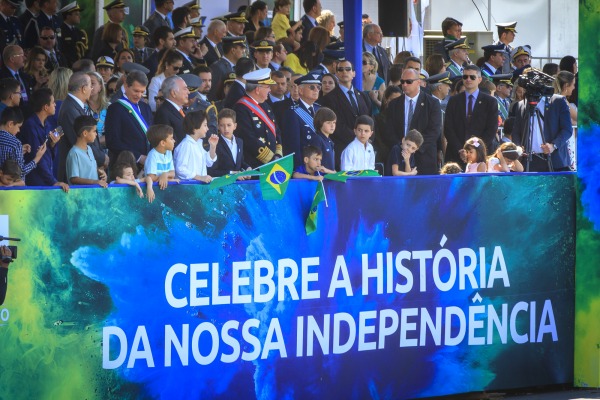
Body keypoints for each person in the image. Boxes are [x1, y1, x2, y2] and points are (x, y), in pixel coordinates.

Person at [383, 68, 442, 175]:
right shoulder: (394, 104)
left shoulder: (432, 103)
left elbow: (434, 131)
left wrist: (413, 148)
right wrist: (401, 148)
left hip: (424, 159)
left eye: (409, 81)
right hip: (399, 158)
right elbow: (388, 130)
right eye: (402, 82)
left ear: (418, 82)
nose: (404, 84)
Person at [321, 59, 372, 169]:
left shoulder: (363, 96)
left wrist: (366, 137)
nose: (344, 72)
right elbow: (336, 125)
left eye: (348, 69)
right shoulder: (329, 98)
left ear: (354, 73)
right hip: (343, 147)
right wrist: (357, 138)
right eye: (340, 69)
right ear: (337, 73)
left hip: (364, 148)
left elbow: (370, 119)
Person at [444, 65, 498, 167]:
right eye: (465, 77)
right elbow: (448, 128)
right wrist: (461, 150)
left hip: (481, 156)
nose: (468, 79)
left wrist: (476, 150)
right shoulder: (453, 101)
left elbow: (491, 129)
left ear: (479, 79)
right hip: (456, 155)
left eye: (472, 77)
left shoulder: (490, 102)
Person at [57, 72, 106, 181]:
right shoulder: (70, 109)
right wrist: (101, 158)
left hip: (85, 170)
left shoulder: (75, 106)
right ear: (84, 89)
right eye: (90, 86)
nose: (91, 89)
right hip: (77, 176)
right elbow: (80, 141)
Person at [232, 68, 282, 168]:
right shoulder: (241, 108)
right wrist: (271, 159)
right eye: (267, 87)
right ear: (258, 89)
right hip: (255, 165)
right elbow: (248, 138)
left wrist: (278, 154)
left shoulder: (266, 106)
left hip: (271, 164)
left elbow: (276, 130)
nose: (270, 90)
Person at [20, 87, 68, 191]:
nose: (55, 105)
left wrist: (53, 144)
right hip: (35, 182)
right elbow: (37, 157)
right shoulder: (30, 126)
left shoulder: (48, 124)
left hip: (47, 178)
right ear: (46, 107)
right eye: (53, 102)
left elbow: (48, 155)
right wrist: (53, 181)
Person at [280, 73, 322, 166]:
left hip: (320, 163)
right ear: (301, 90)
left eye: (318, 87)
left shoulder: (319, 110)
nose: (316, 90)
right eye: (312, 87)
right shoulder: (292, 113)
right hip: (305, 166)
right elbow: (292, 146)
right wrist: (299, 169)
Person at [0, 106, 46, 180]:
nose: (19, 130)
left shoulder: (16, 145)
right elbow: (20, 173)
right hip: (11, 189)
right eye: (18, 127)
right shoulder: (15, 143)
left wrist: (19, 152)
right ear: (10, 124)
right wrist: (37, 158)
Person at [174, 110, 218, 182]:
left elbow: (209, 163)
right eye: (205, 125)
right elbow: (180, 169)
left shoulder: (198, 143)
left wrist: (213, 147)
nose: (207, 128)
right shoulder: (186, 145)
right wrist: (200, 177)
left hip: (197, 188)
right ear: (195, 127)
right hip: (188, 188)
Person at [66, 115, 108, 187]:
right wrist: (95, 182)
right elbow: (74, 179)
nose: (96, 134)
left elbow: (88, 169)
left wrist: (99, 172)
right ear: (85, 133)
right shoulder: (74, 153)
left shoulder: (89, 149)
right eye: (94, 131)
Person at [208, 108, 250, 177]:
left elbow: (240, 162)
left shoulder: (239, 141)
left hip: (238, 184)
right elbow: (211, 171)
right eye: (222, 125)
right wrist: (231, 173)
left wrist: (248, 168)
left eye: (229, 125)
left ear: (235, 126)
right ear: (218, 126)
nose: (226, 129)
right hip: (222, 185)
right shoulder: (215, 143)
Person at [144, 124, 179, 203]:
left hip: (164, 193)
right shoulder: (152, 155)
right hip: (153, 195)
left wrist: (165, 175)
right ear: (163, 143)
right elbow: (151, 178)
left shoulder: (169, 152)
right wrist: (165, 178)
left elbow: (172, 173)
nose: (174, 141)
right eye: (171, 138)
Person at [209, 36, 247, 101]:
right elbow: (213, 94)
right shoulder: (218, 67)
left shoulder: (237, 67)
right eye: (241, 48)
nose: (244, 51)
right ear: (233, 50)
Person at [155, 75, 189, 144]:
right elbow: (167, 143)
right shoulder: (163, 113)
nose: (188, 92)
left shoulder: (181, 110)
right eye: (185, 89)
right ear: (173, 93)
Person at [553, 70, 577, 170]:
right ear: (566, 85)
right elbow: (576, 117)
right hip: (564, 139)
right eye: (573, 85)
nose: (574, 87)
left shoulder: (557, 99)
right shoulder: (562, 100)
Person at [58, 1, 87, 68]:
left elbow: (85, 51)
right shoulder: (60, 31)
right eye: (76, 14)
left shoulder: (80, 32)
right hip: (67, 67)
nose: (79, 16)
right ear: (68, 16)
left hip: (80, 67)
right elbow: (60, 50)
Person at [306, 106, 336, 172]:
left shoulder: (330, 141)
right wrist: (332, 173)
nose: (332, 125)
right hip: (321, 179)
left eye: (334, 122)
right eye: (328, 122)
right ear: (320, 123)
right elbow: (315, 166)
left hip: (330, 179)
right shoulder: (317, 139)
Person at [86, 71, 109, 150]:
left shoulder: (109, 107)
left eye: (92, 83)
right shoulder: (80, 106)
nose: (89, 86)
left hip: (107, 152)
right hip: (87, 150)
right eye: (86, 83)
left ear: (100, 86)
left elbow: (114, 133)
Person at [362, 51, 386, 116]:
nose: (360, 64)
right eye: (358, 61)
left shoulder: (379, 82)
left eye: (363, 62)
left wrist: (375, 100)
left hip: (374, 119)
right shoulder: (354, 80)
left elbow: (384, 107)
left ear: (371, 67)